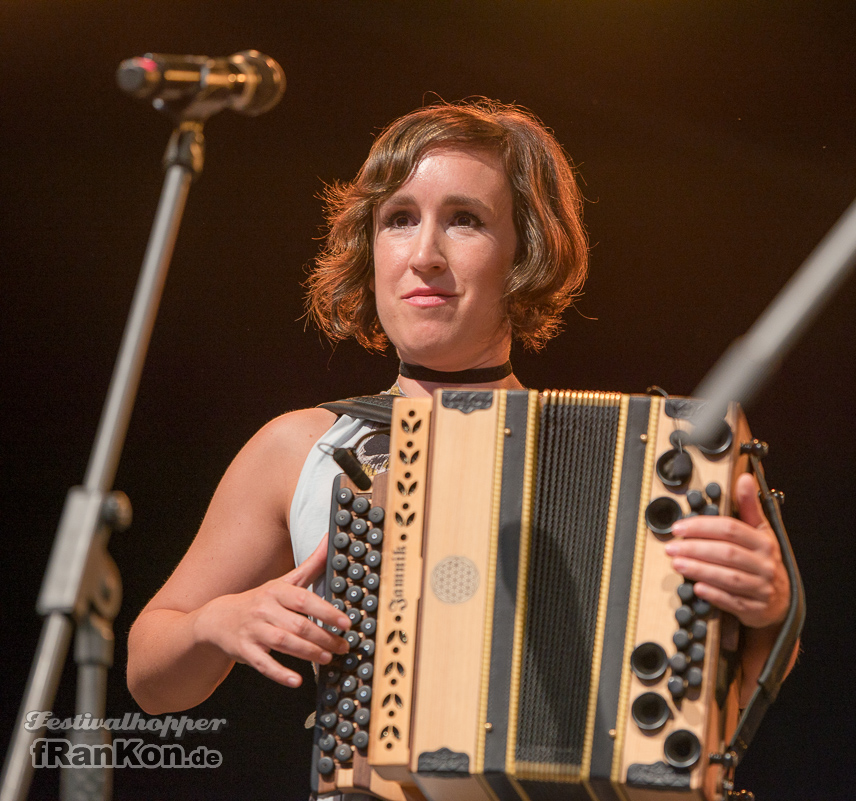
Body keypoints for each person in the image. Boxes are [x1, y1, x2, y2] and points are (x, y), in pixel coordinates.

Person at [127, 99, 795, 721]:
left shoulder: (630, 461)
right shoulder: (301, 447)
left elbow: (714, 703)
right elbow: (150, 678)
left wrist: (768, 614)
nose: (424, 255)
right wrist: (219, 621)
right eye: (399, 219)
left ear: (524, 254)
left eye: (464, 220)